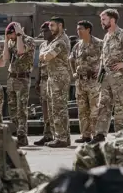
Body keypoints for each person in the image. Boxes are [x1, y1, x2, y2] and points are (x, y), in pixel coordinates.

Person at [91, 9, 123, 144]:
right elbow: (104, 56)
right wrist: (100, 73)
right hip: (106, 76)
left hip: (118, 76)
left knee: (120, 105)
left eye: (104, 19)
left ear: (112, 20)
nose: (101, 22)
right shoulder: (107, 36)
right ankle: (100, 134)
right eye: (101, 20)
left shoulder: (122, 35)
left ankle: (119, 136)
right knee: (103, 105)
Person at [39, 17, 72, 148]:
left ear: (60, 25)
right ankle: (61, 136)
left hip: (60, 77)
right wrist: (43, 53)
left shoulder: (62, 41)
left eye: (52, 25)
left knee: (59, 108)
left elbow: (47, 56)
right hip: (52, 76)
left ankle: (61, 138)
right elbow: (43, 56)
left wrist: (43, 53)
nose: (50, 28)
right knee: (53, 108)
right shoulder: (55, 41)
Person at [69, 20, 103, 144]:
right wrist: (73, 72)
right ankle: (85, 135)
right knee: (82, 110)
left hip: (94, 83)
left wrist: (100, 73)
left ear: (88, 30)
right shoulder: (77, 45)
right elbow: (71, 59)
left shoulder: (99, 44)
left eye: (81, 29)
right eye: (77, 29)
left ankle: (96, 135)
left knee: (95, 110)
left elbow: (106, 60)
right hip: (80, 82)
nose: (78, 31)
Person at [3, 22, 35, 147]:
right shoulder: (10, 41)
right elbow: (6, 58)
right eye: (8, 35)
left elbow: (21, 51)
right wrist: (6, 41)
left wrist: (20, 35)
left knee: (21, 108)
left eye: (11, 34)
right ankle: (17, 131)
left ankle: (22, 135)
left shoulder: (28, 40)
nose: (10, 37)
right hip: (12, 77)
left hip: (23, 78)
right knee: (12, 109)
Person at [33, 22, 54, 146]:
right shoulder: (42, 46)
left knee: (55, 109)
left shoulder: (57, 43)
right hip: (44, 81)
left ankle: (58, 135)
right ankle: (47, 135)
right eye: (42, 32)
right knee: (45, 110)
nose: (44, 34)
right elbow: (39, 66)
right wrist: (38, 80)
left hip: (54, 80)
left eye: (46, 31)